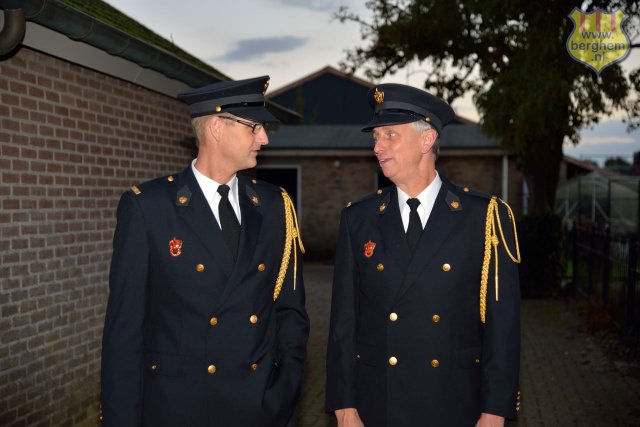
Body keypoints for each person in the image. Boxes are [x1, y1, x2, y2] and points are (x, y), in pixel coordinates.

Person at [101, 76, 309, 427]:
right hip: (179, 408)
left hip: (258, 407)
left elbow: (290, 312)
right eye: (254, 127)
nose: (264, 138)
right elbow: (125, 333)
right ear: (216, 127)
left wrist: (283, 389)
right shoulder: (149, 208)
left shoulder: (275, 205)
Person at [325, 83, 521, 427]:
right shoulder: (359, 218)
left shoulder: (484, 216)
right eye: (375, 138)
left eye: (390, 136)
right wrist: (344, 405)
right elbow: (344, 322)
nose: (377, 147)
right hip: (377, 403)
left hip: (455, 402)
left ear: (427, 139)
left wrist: (495, 411)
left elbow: (502, 327)